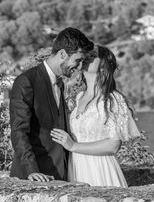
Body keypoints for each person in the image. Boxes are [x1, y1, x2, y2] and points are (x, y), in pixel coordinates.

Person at [9, 27, 94, 182]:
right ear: (62, 54)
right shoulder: (27, 81)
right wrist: (31, 171)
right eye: (77, 60)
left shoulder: (59, 83)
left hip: (61, 175)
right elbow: (19, 130)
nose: (79, 67)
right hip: (35, 177)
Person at [50, 45, 140, 187]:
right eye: (86, 56)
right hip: (76, 168)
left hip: (100, 169)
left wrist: (73, 146)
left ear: (103, 65)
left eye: (92, 57)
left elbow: (113, 145)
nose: (86, 58)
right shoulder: (78, 97)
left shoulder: (112, 100)